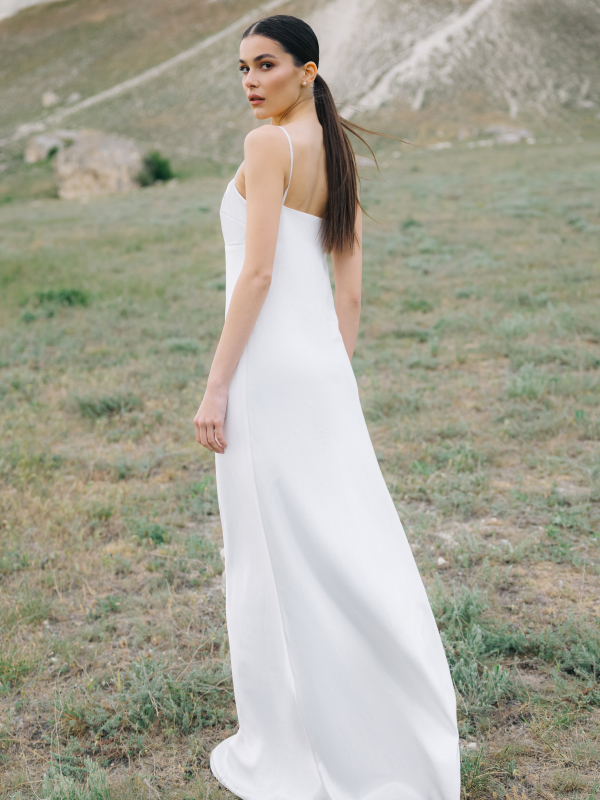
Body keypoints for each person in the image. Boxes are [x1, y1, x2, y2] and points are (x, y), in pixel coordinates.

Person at [193, 14, 460, 800]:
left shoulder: (268, 145)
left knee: (270, 560)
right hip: (319, 374)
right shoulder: (335, 149)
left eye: (266, 65)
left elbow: (258, 274)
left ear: (307, 71)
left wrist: (216, 386)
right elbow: (350, 289)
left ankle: (295, 743)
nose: (251, 82)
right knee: (344, 545)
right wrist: (331, 375)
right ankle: (389, 726)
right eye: (242, 68)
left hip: (266, 374)